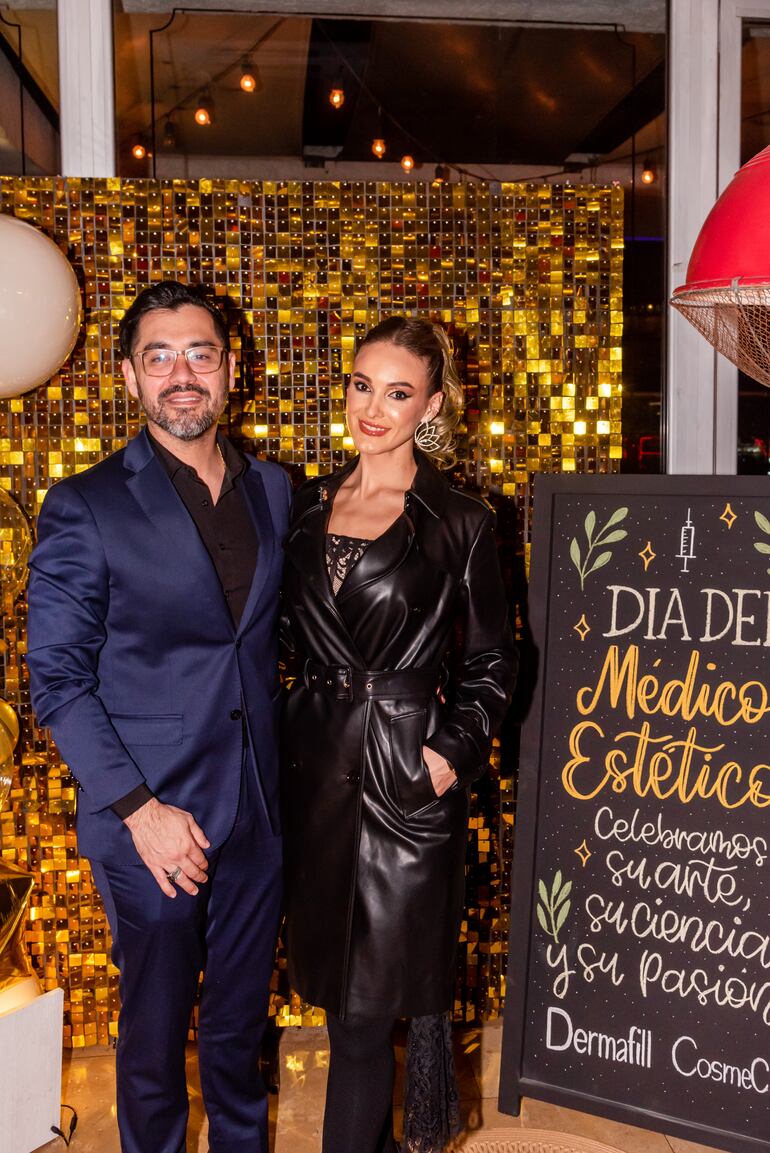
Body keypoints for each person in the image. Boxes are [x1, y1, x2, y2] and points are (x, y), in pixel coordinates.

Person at [26, 280, 291, 1153]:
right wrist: (141, 811)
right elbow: (57, 679)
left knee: (239, 1033)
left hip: (257, 811)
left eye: (200, 354)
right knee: (153, 1041)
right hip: (150, 819)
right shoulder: (85, 503)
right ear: (131, 377)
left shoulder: (274, 490)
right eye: (160, 356)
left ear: (230, 369)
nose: (183, 373)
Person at [281, 316, 518, 1153]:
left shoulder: (461, 519)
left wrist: (449, 756)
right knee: (338, 1004)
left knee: (364, 1016)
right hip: (315, 779)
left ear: (432, 406)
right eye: (361, 385)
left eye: (397, 392)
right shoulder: (305, 504)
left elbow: (494, 658)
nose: (372, 409)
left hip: (406, 787)